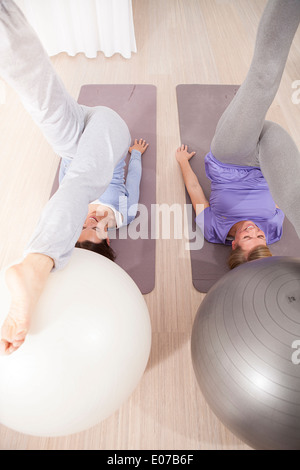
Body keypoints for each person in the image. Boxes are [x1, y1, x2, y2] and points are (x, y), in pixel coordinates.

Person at [0, 0, 148, 355]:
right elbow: (131, 182)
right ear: (109, 238)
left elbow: (69, 171)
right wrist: (136, 155)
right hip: (112, 136)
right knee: (83, 183)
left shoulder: (71, 206)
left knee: (42, 103)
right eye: (98, 230)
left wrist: (70, 154)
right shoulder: (123, 216)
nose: (95, 221)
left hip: (77, 143)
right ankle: (38, 261)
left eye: (84, 228)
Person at [177, 0, 300, 270]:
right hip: (266, 160)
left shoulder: (213, 229)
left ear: (233, 245)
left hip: (230, 157)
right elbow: (280, 193)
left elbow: (196, 192)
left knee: (262, 80)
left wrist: (182, 161)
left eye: (248, 236)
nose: (255, 229)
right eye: (260, 237)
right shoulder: (275, 230)